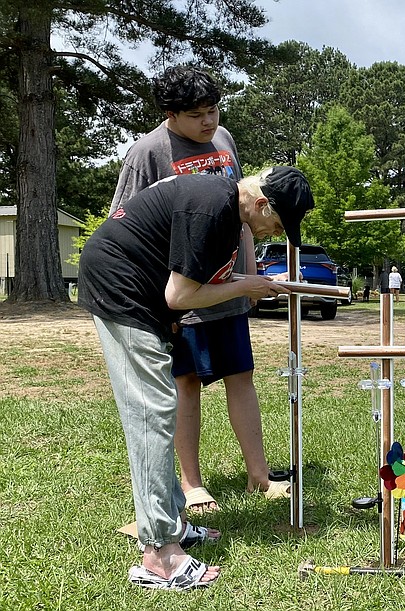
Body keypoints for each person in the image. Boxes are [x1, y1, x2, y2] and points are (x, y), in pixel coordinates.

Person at [79, 167, 315, 589]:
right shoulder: (212, 210)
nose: (271, 233)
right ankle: (160, 553)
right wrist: (246, 289)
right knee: (152, 413)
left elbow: (200, 280)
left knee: (159, 411)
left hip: (135, 290)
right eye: (276, 224)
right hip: (119, 290)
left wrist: (256, 282)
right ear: (261, 204)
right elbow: (181, 296)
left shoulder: (223, 206)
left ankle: (172, 523)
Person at [110, 65, 285, 512]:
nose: (208, 122)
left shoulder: (224, 140)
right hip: (181, 290)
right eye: (196, 115)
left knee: (241, 376)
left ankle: (260, 477)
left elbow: (245, 210)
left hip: (227, 287)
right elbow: (128, 223)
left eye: (213, 110)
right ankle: (191, 485)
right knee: (186, 382)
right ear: (170, 115)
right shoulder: (147, 152)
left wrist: (248, 279)